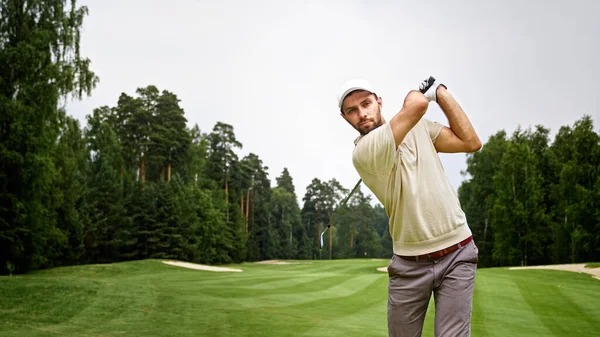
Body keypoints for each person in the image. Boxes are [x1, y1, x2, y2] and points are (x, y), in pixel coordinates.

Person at [336, 76, 482, 337]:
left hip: (458, 251)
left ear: (379, 102)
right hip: (409, 264)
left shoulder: (419, 128)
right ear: (345, 118)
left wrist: (441, 94)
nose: (362, 113)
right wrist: (423, 94)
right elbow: (415, 105)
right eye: (352, 110)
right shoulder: (364, 152)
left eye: (366, 104)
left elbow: (471, 142)